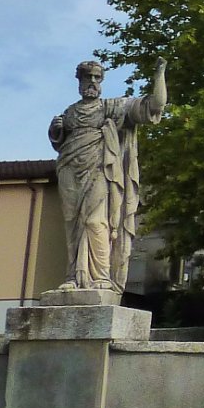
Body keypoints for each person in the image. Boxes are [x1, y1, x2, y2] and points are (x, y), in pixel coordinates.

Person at [49, 57, 167, 293]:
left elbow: (154, 106)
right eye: (88, 77)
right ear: (79, 81)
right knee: (73, 225)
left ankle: (101, 276)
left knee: (95, 221)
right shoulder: (69, 113)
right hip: (70, 168)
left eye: (97, 77)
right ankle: (74, 276)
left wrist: (159, 75)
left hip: (100, 169)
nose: (92, 82)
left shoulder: (111, 107)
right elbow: (59, 142)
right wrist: (55, 129)